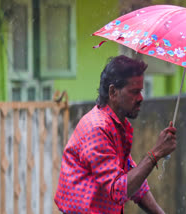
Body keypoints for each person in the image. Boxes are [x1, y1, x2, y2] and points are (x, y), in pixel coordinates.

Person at [54, 55, 177, 214]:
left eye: (141, 91)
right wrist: (157, 152)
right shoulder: (97, 129)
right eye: (134, 92)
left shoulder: (116, 126)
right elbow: (119, 189)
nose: (141, 98)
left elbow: (136, 185)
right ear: (113, 92)